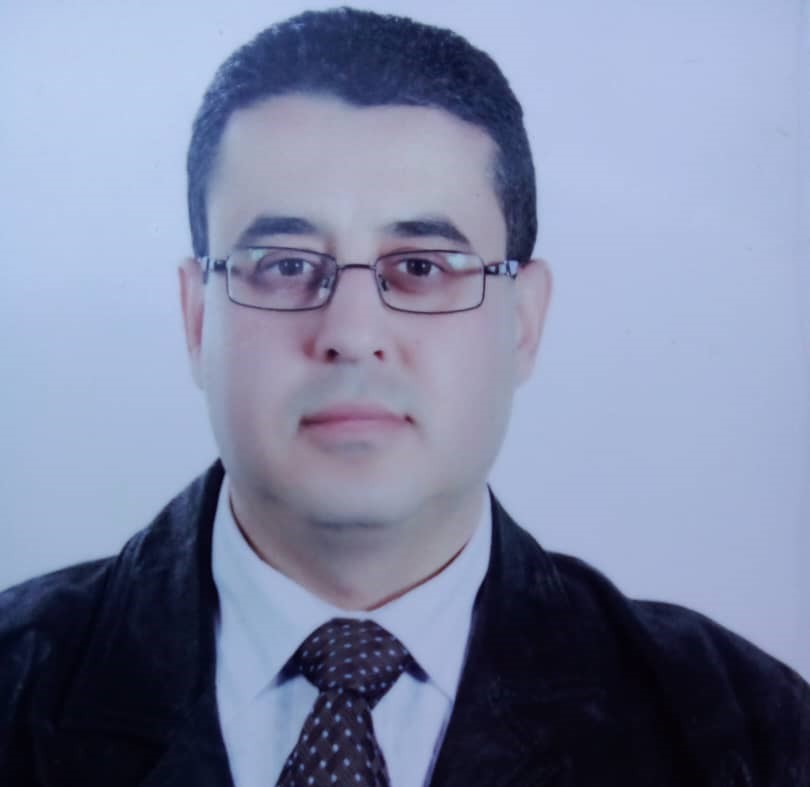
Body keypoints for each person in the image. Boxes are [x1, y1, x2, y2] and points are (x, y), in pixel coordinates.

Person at [0, 7, 807, 787]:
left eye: (421, 267)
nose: (352, 332)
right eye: (285, 264)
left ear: (523, 322)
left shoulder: (747, 730)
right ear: (196, 316)